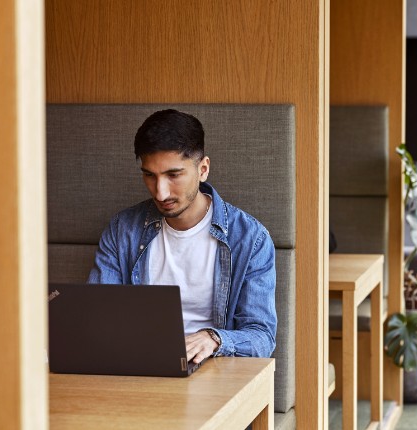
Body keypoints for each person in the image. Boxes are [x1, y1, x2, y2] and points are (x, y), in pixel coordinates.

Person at [88, 109, 277, 364]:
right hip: (138, 364)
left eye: (173, 175)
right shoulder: (123, 229)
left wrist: (214, 338)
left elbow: (262, 337)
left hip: (213, 367)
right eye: (149, 175)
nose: (161, 192)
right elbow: (99, 316)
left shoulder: (250, 238)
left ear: (203, 169)